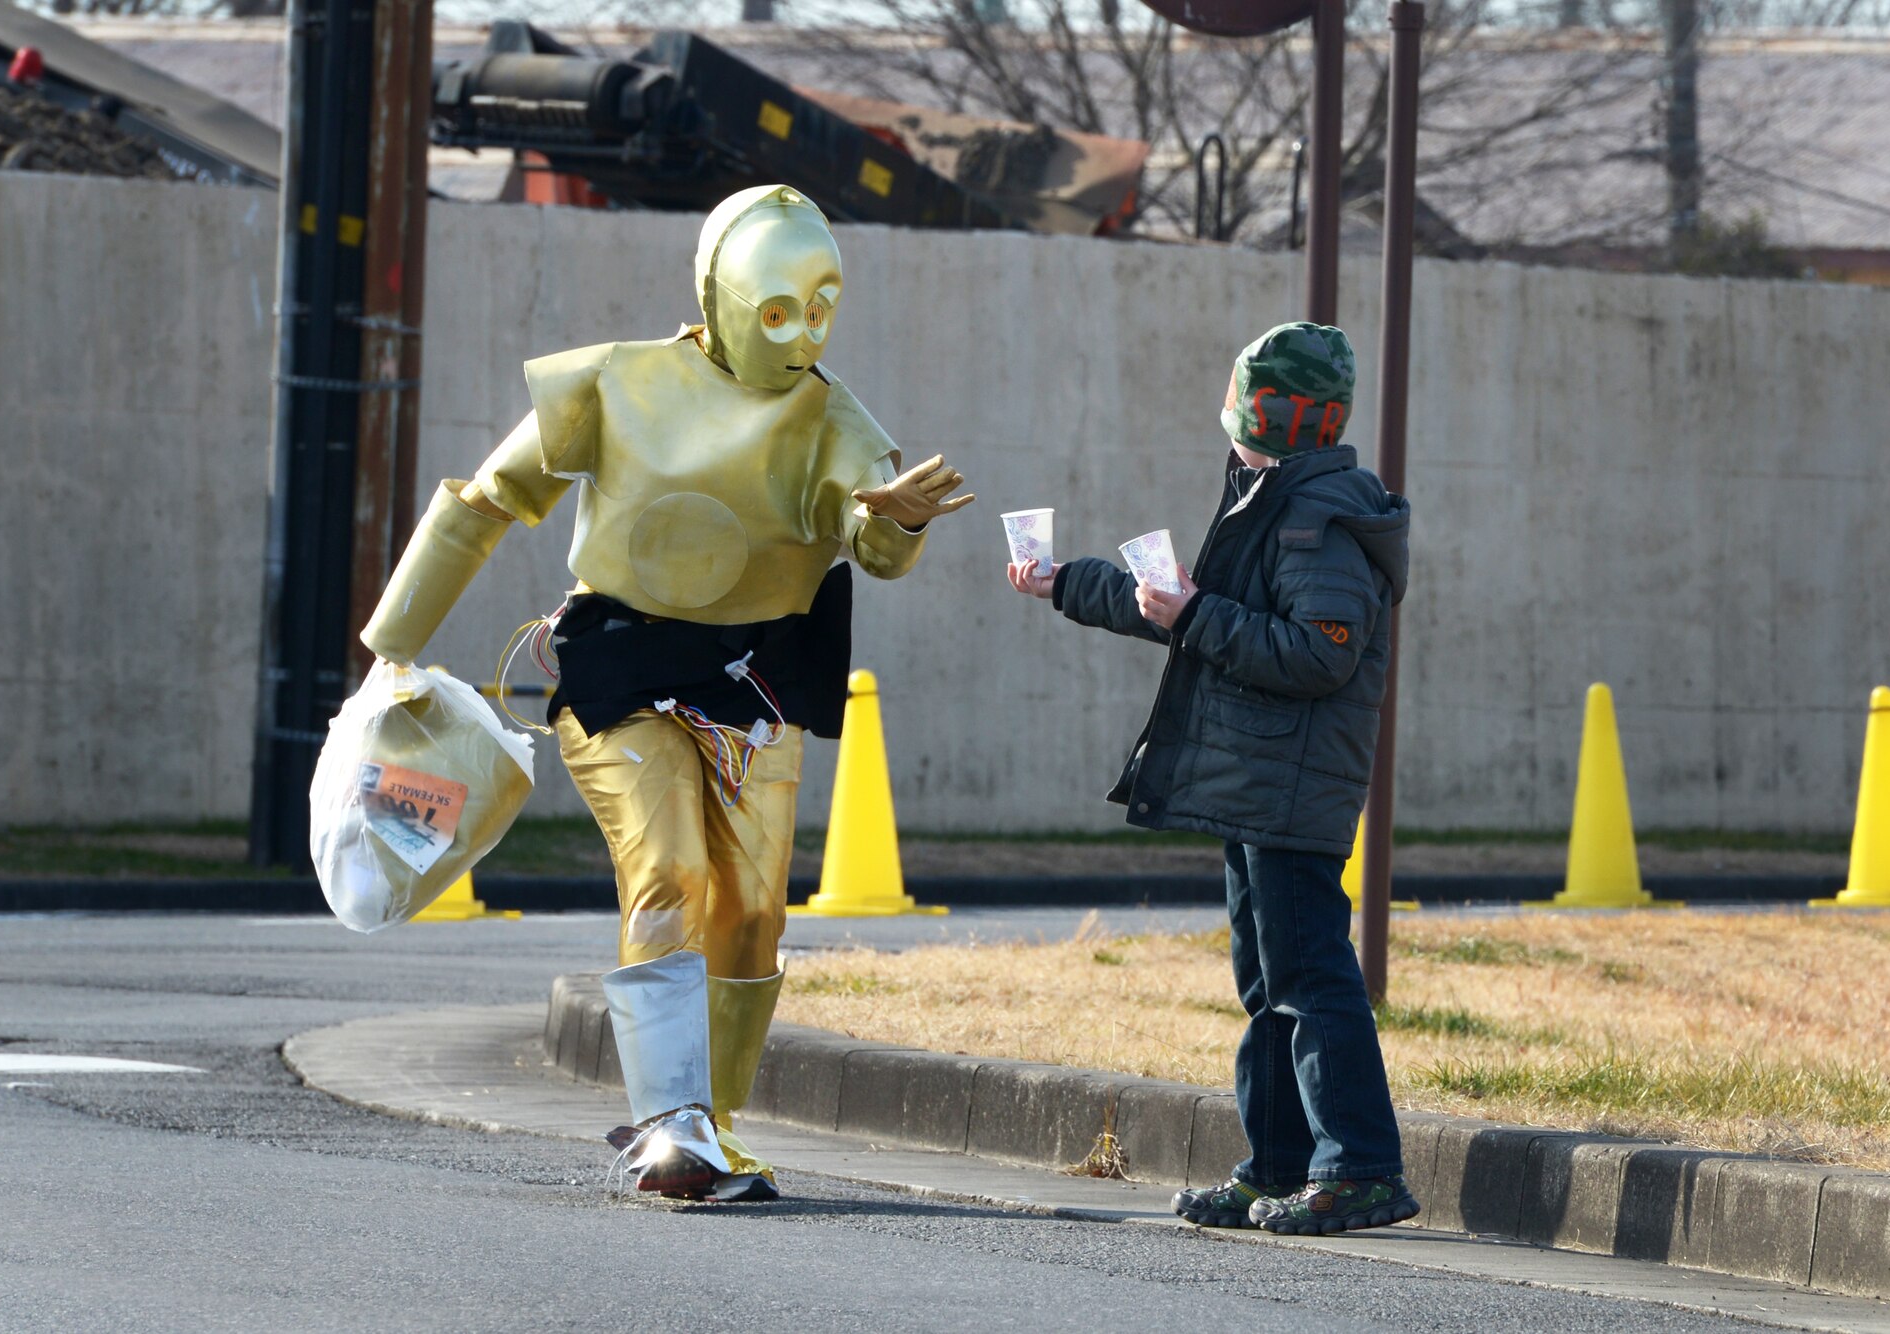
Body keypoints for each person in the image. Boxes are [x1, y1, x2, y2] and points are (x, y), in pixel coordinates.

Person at [360, 184, 974, 1202]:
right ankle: (669, 1119)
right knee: (672, 869)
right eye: (778, 307)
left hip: (758, 677)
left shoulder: (833, 417)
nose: (802, 332)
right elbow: (489, 497)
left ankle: (709, 1126)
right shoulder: (614, 383)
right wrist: (394, 643)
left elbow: (873, 545)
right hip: (624, 664)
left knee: (752, 914)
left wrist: (899, 520)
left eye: (822, 307)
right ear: (720, 293)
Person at [1004, 322, 1416, 1236]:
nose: (1226, 428)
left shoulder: (1320, 521)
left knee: (1311, 980)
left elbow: (1319, 655)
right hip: (1258, 786)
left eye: (1239, 411)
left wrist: (1196, 611)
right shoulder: (1271, 501)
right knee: (1269, 984)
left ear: (1267, 417)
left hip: (1291, 789)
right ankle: (1278, 1165)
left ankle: (1361, 1170)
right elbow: (1194, 616)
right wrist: (1066, 582)